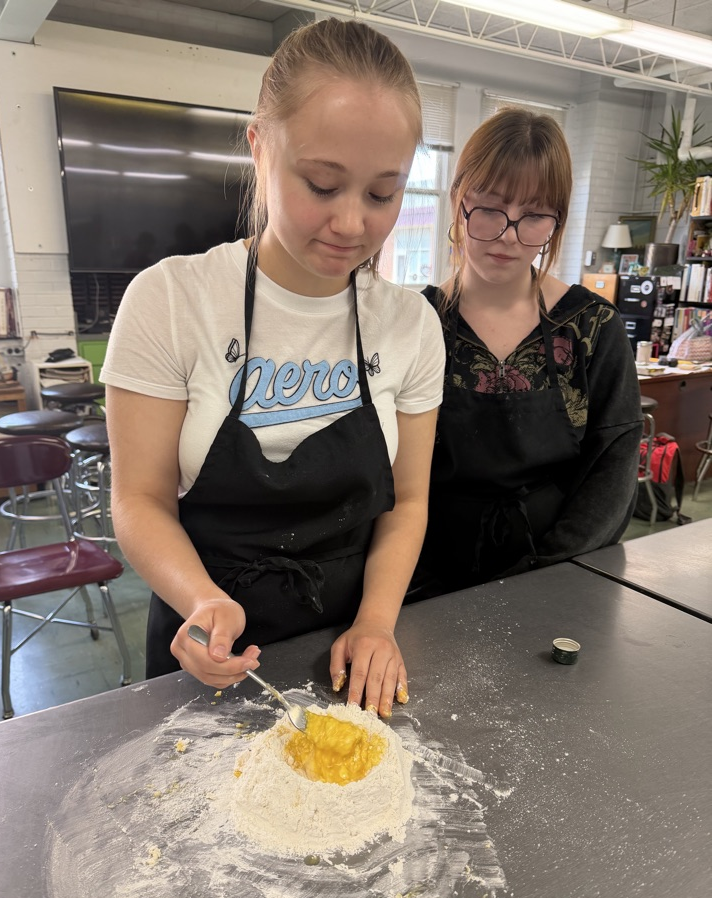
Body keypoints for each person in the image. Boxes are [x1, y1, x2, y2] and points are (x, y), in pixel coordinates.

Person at [102, 18, 445, 718]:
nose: (352, 222)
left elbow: (407, 502)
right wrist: (202, 601)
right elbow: (140, 499)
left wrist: (377, 622)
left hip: (349, 651)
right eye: (322, 183)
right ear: (260, 149)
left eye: (383, 194)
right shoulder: (170, 300)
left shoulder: (411, 326)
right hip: (208, 647)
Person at [412, 107, 642, 597]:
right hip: (425, 580)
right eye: (491, 208)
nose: (508, 235)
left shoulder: (592, 328)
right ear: (459, 200)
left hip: (560, 577)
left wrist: (548, 574)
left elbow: (612, 470)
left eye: (534, 216)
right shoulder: (415, 323)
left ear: (557, 220)